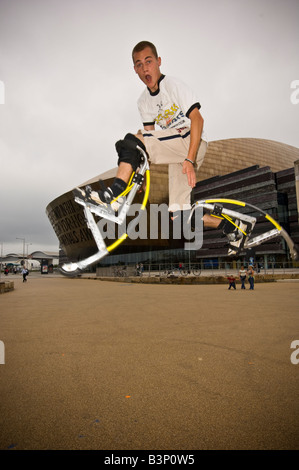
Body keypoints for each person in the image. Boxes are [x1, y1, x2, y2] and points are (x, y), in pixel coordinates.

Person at [75, 41, 253, 255]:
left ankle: (114, 194)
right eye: (139, 65)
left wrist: (189, 158)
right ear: (135, 70)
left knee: (132, 139)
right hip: (176, 150)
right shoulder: (143, 102)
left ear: (158, 62)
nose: (145, 69)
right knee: (181, 219)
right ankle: (232, 227)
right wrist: (138, 175)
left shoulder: (173, 86)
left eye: (148, 62)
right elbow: (149, 144)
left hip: (190, 141)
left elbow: (198, 119)